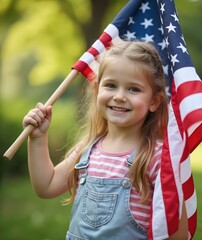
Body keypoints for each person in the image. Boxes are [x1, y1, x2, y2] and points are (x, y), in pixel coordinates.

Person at [23, 41, 188, 240]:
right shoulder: (86, 150)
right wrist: (38, 138)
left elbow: (175, 230)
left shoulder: (157, 158)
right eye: (110, 85)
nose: (119, 96)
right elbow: (46, 186)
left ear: (154, 101)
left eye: (133, 89)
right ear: (97, 90)